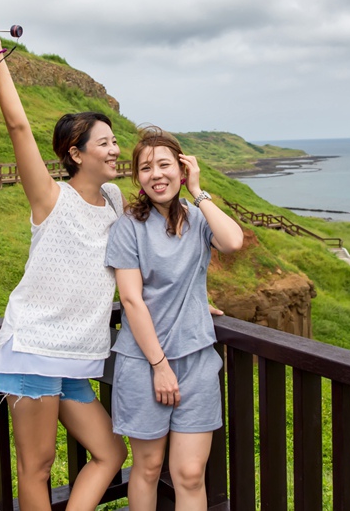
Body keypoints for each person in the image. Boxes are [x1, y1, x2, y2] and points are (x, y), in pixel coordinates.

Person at [0, 23, 128, 511]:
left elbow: (139, 263)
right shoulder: (49, 198)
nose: (115, 149)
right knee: (36, 468)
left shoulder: (116, 200)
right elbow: (18, 126)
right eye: (104, 143)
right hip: (36, 347)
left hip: (76, 356)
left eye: (115, 140)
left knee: (110, 451)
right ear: (75, 154)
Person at [105, 127, 244, 511]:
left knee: (189, 474)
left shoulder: (199, 220)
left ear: (182, 171)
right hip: (145, 363)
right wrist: (160, 366)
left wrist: (199, 191)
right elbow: (131, 301)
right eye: (146, 167)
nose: (156, 174)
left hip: (197, 361)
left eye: (165, 164)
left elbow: (233, 241)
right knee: (147, 469)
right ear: (138, 178)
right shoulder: (128, 227)